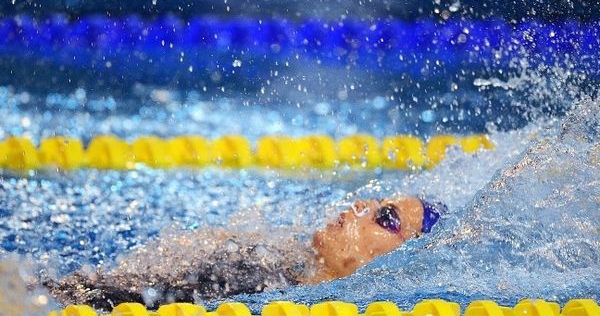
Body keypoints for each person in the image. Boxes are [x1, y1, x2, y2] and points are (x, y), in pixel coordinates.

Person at [44, 196, 445, 310]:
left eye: (385, 217)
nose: (360, 206)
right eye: (375, 201)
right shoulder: (265, 265)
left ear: (404, 259)